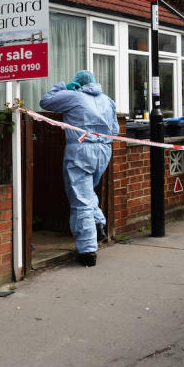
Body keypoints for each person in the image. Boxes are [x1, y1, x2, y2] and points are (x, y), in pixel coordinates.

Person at [39, 70, 118, 267]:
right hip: (103, 151)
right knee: (87, 192)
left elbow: (46, 101)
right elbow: (115, 130)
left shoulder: (74, 96)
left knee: (80, 200)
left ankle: (87, 251)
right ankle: (98, 222)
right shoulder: (108, 100)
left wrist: (63, 87)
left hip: (81, 152)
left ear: (78, 83)